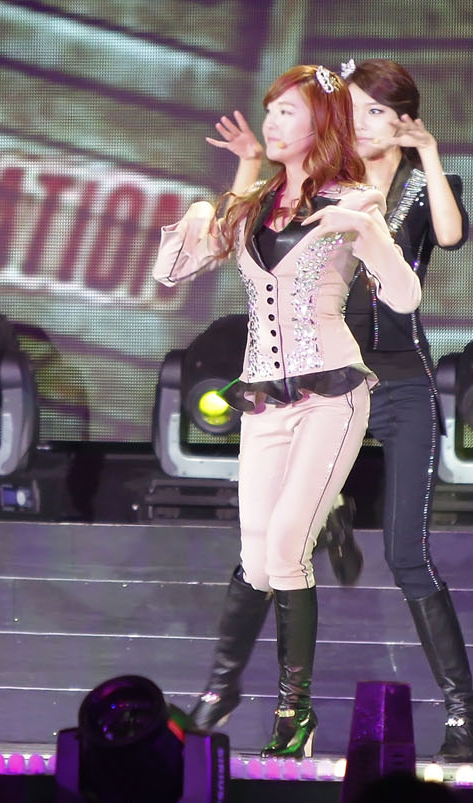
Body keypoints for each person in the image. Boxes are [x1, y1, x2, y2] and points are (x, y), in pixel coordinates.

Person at [203, 58, 471, 761]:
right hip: (321, 382)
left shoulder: (412, 188)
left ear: (402, 120)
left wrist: (429, 155)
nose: (362, 123)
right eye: (352, 110)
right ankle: (235, 691)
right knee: (269, 542)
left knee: (407, 554)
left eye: (377, 111)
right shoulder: (313, 187)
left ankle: (462, 712)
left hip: (399, 380)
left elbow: (449, 238)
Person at [153, 64, 420, 758]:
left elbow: (405, 297)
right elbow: (171, 272)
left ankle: (292, 714)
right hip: (263, 395)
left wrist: (367, 233)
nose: (273, 124)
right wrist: (203, 212)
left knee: (285, 549)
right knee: (255, 557)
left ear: (320, 125)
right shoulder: (254, 203)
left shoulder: (353, 199)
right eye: (270, 110)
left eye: (287, 113)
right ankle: (222, 689)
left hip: (332, 392)